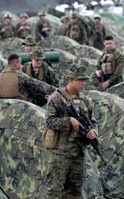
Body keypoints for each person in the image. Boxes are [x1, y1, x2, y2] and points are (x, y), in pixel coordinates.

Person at [44, 63, 97, 199]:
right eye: (80, 80)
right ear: (71, 79)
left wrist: (92, 132)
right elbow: (49, 121)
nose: (83, 83)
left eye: (84, 80)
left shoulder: (85, 100)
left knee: (74, 193)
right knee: (54, 191)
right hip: (60, 153)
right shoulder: (56, 98)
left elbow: (93, 121)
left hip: (78, 153)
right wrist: (69, 121)